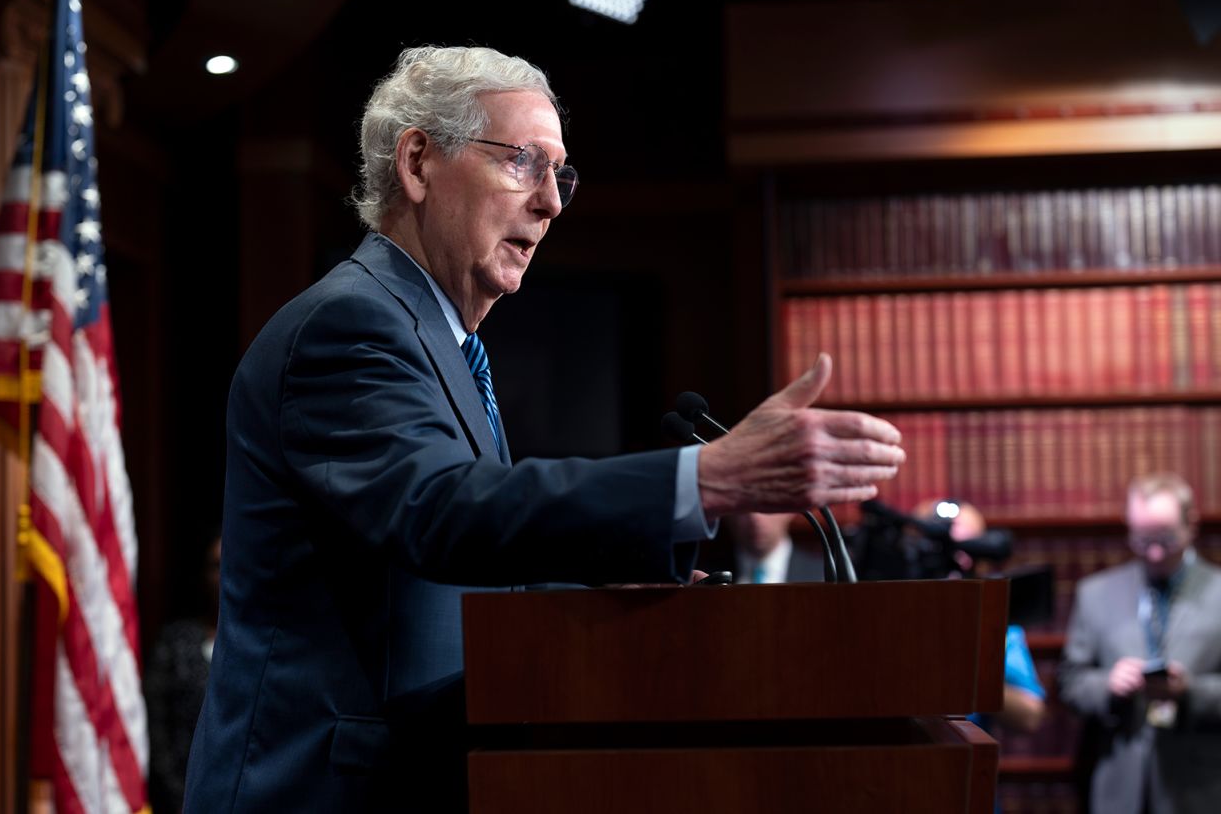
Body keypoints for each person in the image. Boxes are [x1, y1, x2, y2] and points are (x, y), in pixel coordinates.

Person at [182, 45, 905, 812]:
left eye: (559, 175)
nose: (552, 203)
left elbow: (465, 567)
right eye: (523, 163)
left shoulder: (443, 343)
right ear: (419, 163)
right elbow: (442, 511)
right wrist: (708, 477)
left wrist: (616, 590)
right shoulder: (351, 325)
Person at [1058, 473, 1221, 814]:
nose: (1157, 552)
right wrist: (1108, 685)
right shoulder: (1096, 594)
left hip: (1200, 787)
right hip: (1118, 783)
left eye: (1166, 538)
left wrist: (1189, 691)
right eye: (1144, 540)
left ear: (1191, 525)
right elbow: (1069, 681)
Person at [913, 499, 1046, 736]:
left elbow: (1030, 715)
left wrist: (969, 676)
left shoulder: (994, 623)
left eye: (967, 549)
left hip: (964, 762)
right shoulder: (885, 613)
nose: (956, 561)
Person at [145, 531, 221, 813]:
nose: (223, 575)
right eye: (216, 566)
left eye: (229, 565)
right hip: (180, 798)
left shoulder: (257, 645)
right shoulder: (175, 642)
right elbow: (157, 728)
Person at [703, 512, 825, 583]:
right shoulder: (702, 577)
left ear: (790, 510)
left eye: (766, 507)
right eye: (744, 507)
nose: (755, 518)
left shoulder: (824, 575)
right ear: (726, 514)